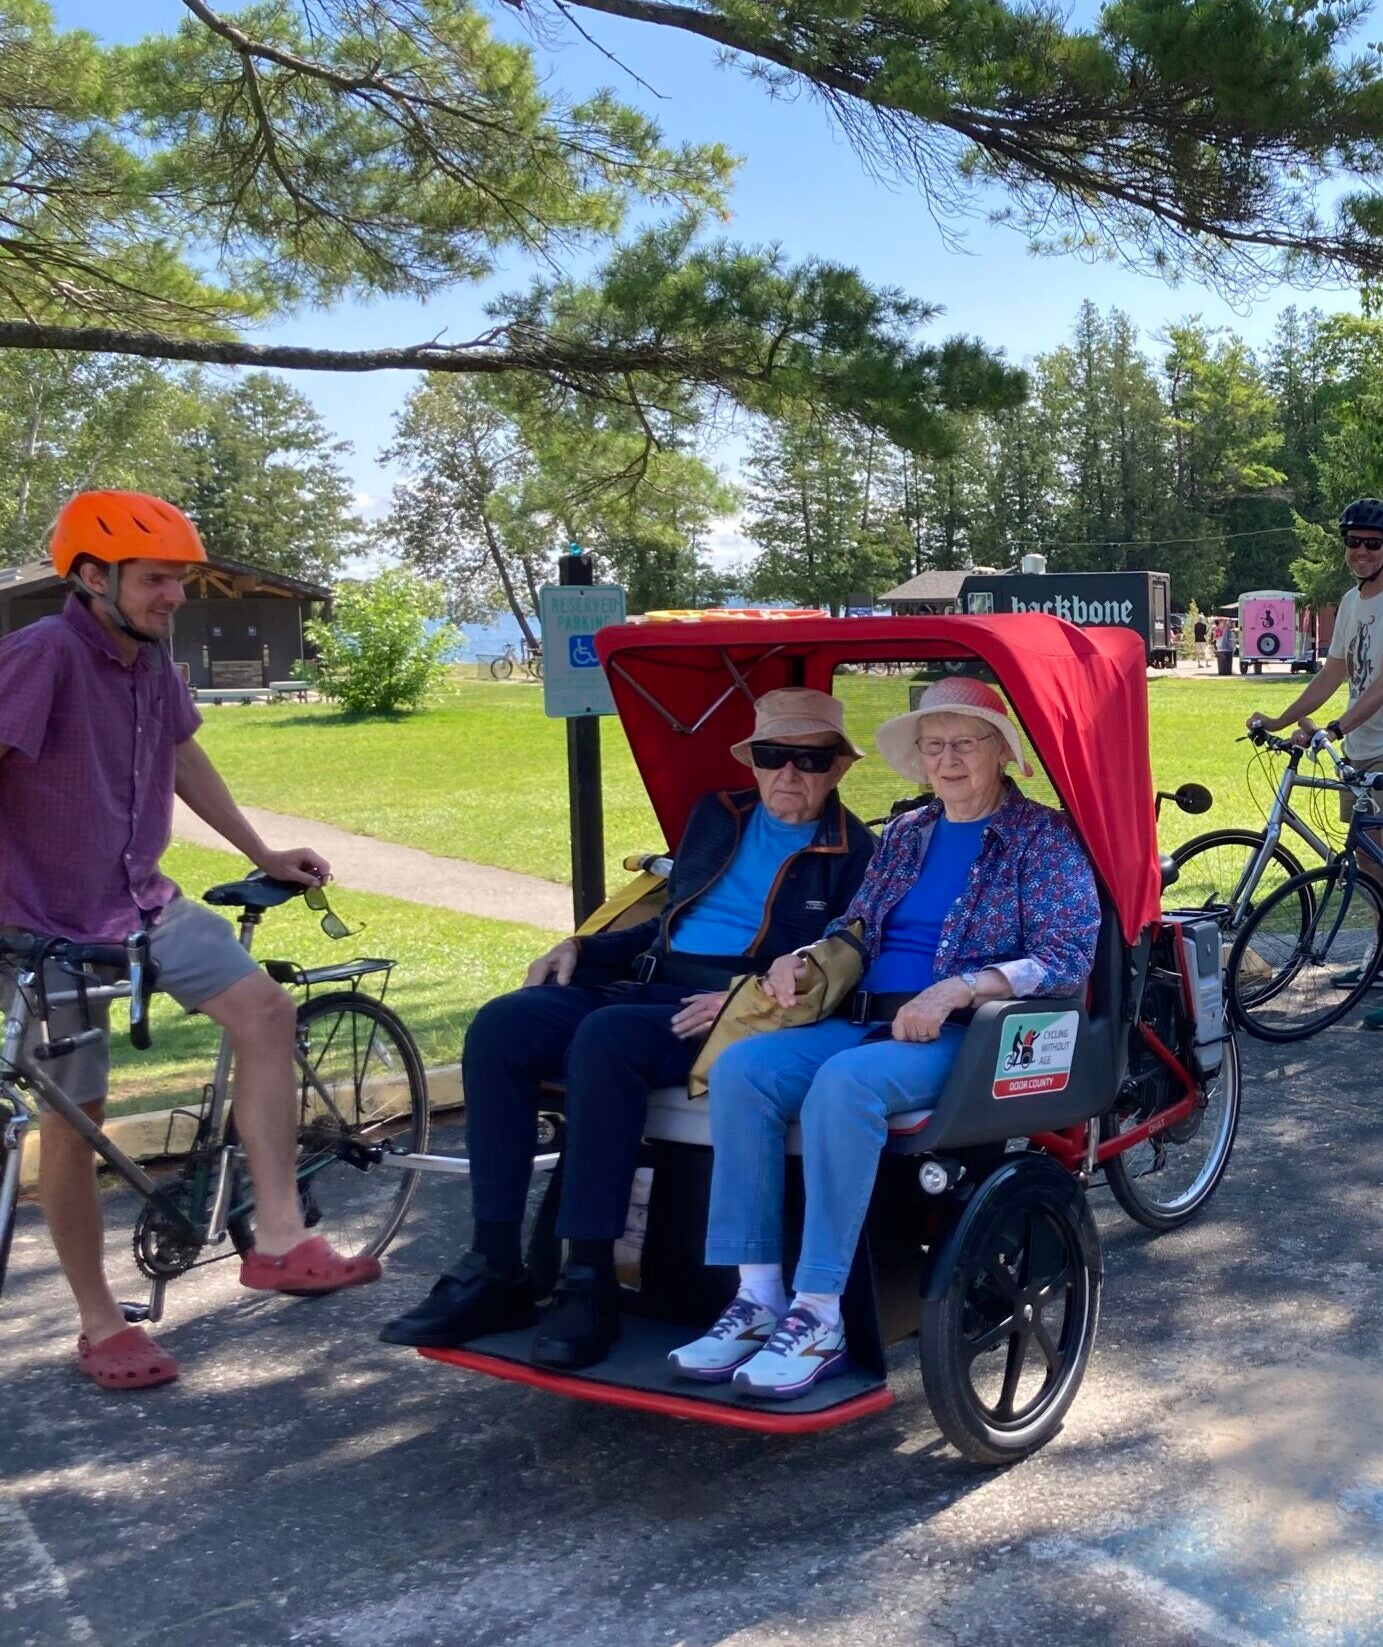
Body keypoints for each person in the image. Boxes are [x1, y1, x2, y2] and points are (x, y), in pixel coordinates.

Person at [0, 492, 380, 1392]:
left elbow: (181, 755)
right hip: (51, 924)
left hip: (144, 903)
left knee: (264, 1008)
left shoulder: (152, 663)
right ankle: (101, 1324)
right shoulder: (43, 654)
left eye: (180, 578)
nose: (175, 595)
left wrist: (259, 849)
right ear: (92, 576)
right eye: (156, 579)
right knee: (73, 1117)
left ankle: (281, 1238)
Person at [379, 689, 875, 1367]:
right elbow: (667, 921)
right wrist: (583, 948)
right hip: (645, 983)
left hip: (732, 1010)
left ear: (841, 768)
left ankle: (590, 1279)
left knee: (607, 1039)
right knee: (503, 1025)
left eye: (810, 759)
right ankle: (494, 1265)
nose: (789, 774)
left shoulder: (856, 852)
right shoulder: (717, 815)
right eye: (772, 756)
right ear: (752, 762)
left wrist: (747, 997)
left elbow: (835, 965)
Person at [675, 676, 1099, 1398]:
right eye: (934, 746)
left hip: (968, 1034)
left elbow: (1066, 957)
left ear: (1002, 752)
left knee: (847, 1085)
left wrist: (963, 985)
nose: (949, 759)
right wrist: (806, 956)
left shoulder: (1042, 838)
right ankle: (757, 1297)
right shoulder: (907, 833)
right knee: (744, 1067)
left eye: (965, 742)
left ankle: (818, 1311)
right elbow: (859, 927)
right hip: (867, 1018)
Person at [1244, 498, 1383, 1028]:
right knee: (1371, 866)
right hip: (1358, 751)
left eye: (1371, 544)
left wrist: (1336, 727)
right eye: (1353, 542)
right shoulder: (1351, 603)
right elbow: (1333, 675)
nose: (1360, 551)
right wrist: (1285, 719)